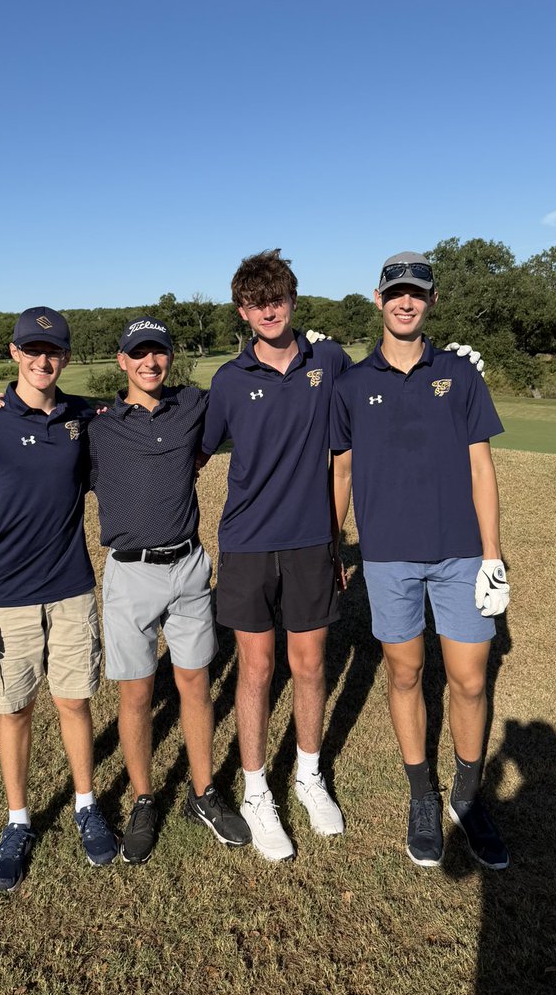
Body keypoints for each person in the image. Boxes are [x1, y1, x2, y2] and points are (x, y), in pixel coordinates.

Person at [330, 252, 510, 870]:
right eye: (396, 293)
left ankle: (466, 795)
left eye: (418, 293)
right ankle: (421, 797)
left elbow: (481, 466)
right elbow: (343, 469)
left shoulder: (459, 374)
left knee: (469, 679)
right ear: (378, 299)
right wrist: (334, 544)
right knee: (404, 674)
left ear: (431, 301)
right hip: (388, 559)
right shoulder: (352, 383)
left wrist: (492, 554)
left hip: (461, 553)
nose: (406, 302)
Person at [0, 307, 118, 893]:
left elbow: (132, 409)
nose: (43, 360)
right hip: (8, 595)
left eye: (54, 351)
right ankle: (18, 820)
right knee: (14, 709)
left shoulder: (81, 416)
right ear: (14, 353)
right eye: (33, 350)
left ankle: (85, 804)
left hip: (72, 587)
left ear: (66, 357)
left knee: (74, 702)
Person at [200, 250, 351, 860]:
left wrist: (451, 365)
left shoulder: (330, 361)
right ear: (243, 311)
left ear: (293, 300)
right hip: (248, 542)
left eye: (278, 299)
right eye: (257, 303)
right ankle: (257, 790)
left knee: (311, 664)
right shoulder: (230, 380)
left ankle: (308, 775)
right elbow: (194, 445)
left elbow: (386, 386)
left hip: (312, 539)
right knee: (257, 668)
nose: (269, 310)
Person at [86, 315, 250, 863]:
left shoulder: (191, 406)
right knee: (135, 693)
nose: (150, 363)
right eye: (139, 354)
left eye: (159, 353)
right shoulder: (98, 423)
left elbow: (242, 381)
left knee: (195, 683)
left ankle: (204, 793)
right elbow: (41, 406)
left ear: (169, 358)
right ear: (122, 361)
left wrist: (315, 351)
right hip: (130, 572)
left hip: (187, 567)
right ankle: (143, 798)